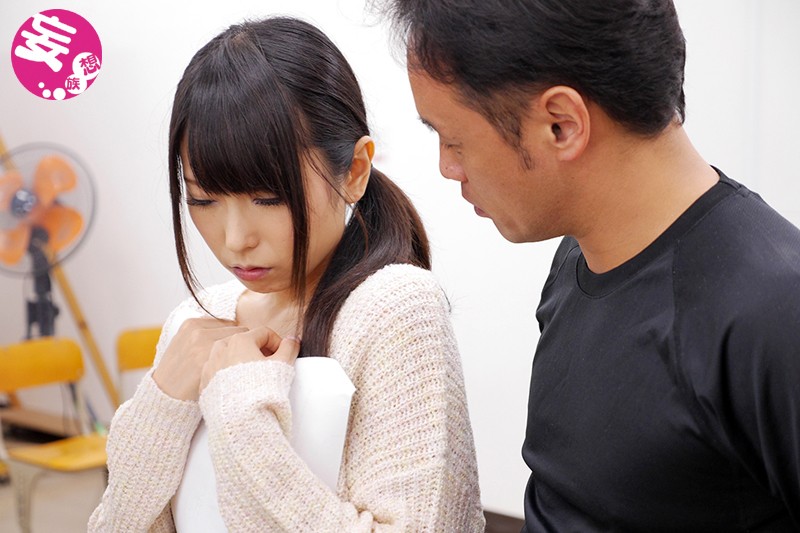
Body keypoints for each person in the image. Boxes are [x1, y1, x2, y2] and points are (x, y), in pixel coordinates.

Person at [380, 0, 800, 530]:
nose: (447, 167)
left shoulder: (771, 312)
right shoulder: (576, 260)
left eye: (454, 140)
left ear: (561, 124)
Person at [88, 16, 485, 532]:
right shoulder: (196, 320)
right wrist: (162, 403)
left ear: (355, 171)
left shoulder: (393, 308)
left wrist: (240, 412)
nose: (235, 239)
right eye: (203, 200)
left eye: (268, 198)